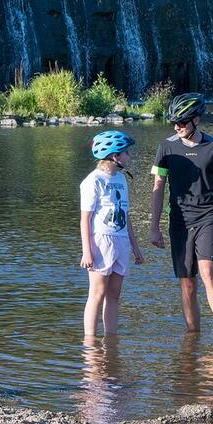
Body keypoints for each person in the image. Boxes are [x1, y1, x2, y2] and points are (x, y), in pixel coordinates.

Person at [146, 92, 213, 333]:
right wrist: (154, 227)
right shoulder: (166, 148)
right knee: (187, 282)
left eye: (182, 122)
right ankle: (193, 337)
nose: (177, 127)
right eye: (174, 123)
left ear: (196, 120)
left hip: (209, 216)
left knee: (208, 271)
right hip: (179, 220)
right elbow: (158, 187)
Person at [80, 130, 143, 337]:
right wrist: (87, 252)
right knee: (97, 294)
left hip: (121, 241)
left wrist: (136, 248)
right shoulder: (93, 180)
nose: (129, 156)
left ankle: (111, 340)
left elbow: (126, 216)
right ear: (114, 155)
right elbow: (85, 219)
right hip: (101, 241)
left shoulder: (121, 180)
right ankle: (90, 342)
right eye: (126, 153)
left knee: (114, 295)